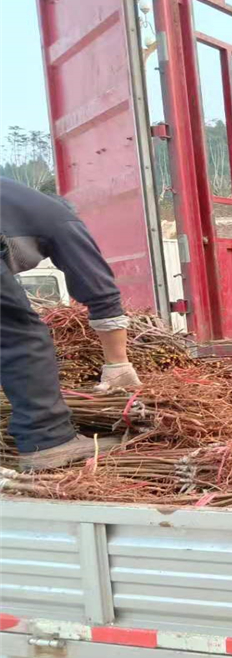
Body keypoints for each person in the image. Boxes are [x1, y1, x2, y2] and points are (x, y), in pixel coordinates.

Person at [0, 178, 140, 470]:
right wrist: (118, 364)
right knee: (20, 337)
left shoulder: (15, 206)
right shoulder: (59, 218)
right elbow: (102, 294)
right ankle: (48, 441)